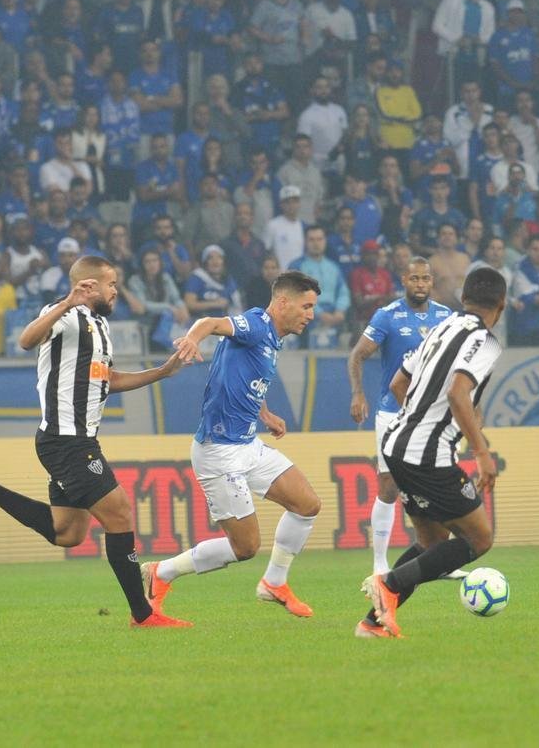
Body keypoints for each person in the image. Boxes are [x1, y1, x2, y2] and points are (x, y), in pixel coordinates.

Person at [0, 255, 191, 629]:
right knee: (120, 512)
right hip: (67, 440)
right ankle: (143, 614)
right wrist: (65, 303)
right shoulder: (66, 314)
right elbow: (26, 340)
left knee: (68, 533)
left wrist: (163, 371)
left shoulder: (98, 326)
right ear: (89, 285)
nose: (116, 290)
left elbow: (108, 380)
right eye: (111, 284)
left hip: (75, 439)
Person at [140, 271, 324, 620]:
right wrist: (192, 340)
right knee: (245, 547)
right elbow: (209, 322)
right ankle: (161, 573)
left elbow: (248, 376)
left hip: (247, 444)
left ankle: (274, 582)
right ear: (283, 302)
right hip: (219, 451)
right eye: (307, 306)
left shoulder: (273, 336)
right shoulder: (255, 324)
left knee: (307, 504)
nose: (310, 315)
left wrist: (264, 413)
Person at [357, 267, 507, 638]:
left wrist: (422, 417)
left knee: (432, 541)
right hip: (427, 456)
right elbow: (458, 392)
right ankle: (389, 584)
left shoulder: (442, 328)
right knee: (479, 539)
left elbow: (398, 383)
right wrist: (481, 452)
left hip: (397, 445)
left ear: (464, 298)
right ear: (501, 306)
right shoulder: (485, 342)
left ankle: (372, 623)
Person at [347, 256, 450, 575]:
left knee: (438, 485)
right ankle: (379, 562)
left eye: (426, 279)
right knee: (389, 487)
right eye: (415, 279)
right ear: (403, 280)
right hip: (393, 414)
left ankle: (441, 560)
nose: (420, 284)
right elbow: (358, 354)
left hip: (432, 415)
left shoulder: (446, 317)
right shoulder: (387, 316)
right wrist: (358, 393)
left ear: (432, 282)